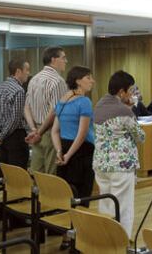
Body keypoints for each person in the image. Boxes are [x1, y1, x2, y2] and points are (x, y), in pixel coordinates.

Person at [93, 70, 145, 239]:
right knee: (123, 207)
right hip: (121, 166)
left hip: (101, 164)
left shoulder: (99, 105)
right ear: (122, 92)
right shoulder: (124, 111)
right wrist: (130, 109)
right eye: (130, 90)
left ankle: (106, 240)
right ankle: (122, 243)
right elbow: (140, 136)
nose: (132, 94)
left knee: (106, 204)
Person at [51, 66, 95, 200]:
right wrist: (68, 156)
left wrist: (60, 152)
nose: (92, 81)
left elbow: (54, 131)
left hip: (64, 147)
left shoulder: (62, 101)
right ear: (78, 81)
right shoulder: (84, 101)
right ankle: (78, 221)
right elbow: (82, 134)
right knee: (81, 196)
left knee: (66, 195)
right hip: (81, 152)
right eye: (88, 78)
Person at [24, 46, 68, 174]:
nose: (66, 61)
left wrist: (33, 130)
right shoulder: (58, 81)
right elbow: (55, 110)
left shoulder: (34, 79)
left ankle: (39, 195)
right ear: (53, 60)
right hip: (49, 131)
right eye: (63, 58)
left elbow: (26, 107)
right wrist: (40, 132)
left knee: (37, 173)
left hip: (36, 131)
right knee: (51, 175)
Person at [0, 58, 30, 169]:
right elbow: (15, 119)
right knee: (18, 176)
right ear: (18, 71)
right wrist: (0, 137)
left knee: (6, 173)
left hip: (3, 138)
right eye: (27, 69)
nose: (28, 73)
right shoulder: (19, 90)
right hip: (15, 137)